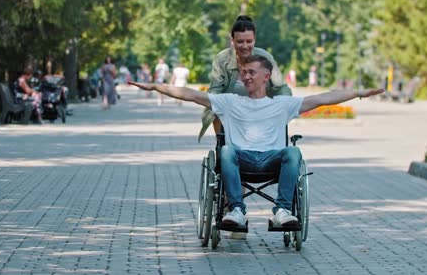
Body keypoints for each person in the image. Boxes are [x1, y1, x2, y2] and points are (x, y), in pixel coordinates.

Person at [128, 55, 383, 228]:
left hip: (272, 160)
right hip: (241, 159)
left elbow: (324, 98)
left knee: (293, 153)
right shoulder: (229, 102)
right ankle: (237, 210)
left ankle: (282, 211)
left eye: (251, 72)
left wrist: (359, 93)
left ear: (266, 76)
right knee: (226, 149)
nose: (246, 77)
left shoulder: (283, 104)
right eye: (243, 73)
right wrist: (154, 87)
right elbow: (190, 94)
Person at [199, 15, 291, 142]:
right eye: (240, 41)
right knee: (215, 107)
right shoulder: (222, 59)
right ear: (232, 41)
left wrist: (285, 103)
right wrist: (217, 103)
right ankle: (222, 143)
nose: (245, 46)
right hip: (231, 110)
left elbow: (280, 87)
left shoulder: (265, 57)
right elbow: (215, 90)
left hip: (260, 107)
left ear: (255, 40)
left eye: (249, 41)